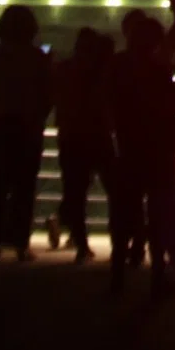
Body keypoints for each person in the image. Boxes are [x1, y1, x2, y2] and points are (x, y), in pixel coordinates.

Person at [109, 0, 175, 294]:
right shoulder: (159, 64)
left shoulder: (117, 65)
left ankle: (118, 275)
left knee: (124, 210)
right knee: (159, 211)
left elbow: (108, 101)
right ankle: (157, 273)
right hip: (158, 150)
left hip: (128, 148)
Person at [0, 3, 54, 262]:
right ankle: (21, 244)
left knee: (0, 186)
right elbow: (47, 94)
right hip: (28, 126)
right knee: (25, 187)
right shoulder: (38, 57)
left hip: (2, 125)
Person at [57, 27, 117, 262]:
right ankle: (118, 240)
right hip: (98, 136)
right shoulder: (103, 72)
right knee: (114, 190)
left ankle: (80, 243)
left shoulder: (65, 69)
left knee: (75, 192)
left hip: (71, 137)